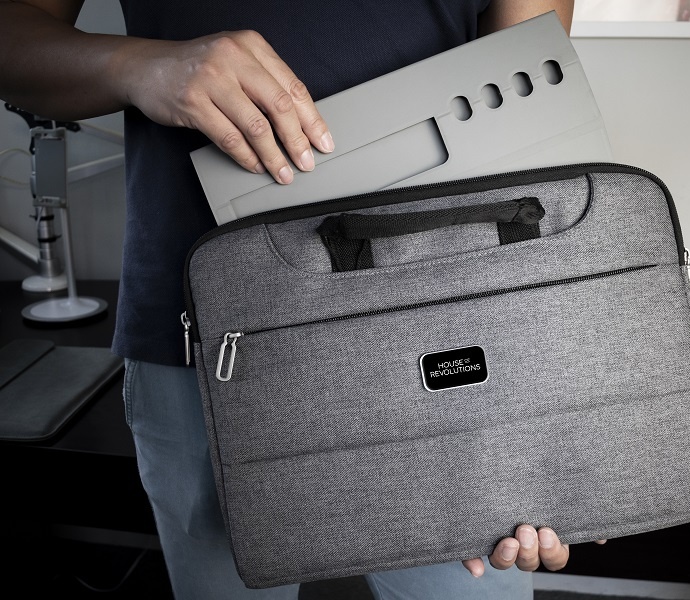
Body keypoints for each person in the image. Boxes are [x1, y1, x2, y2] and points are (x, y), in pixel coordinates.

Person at [0, 1, 604, 598]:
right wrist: (139, 66)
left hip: (450, 347)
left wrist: (557, 411)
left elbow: (529, 124)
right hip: (210, 344)